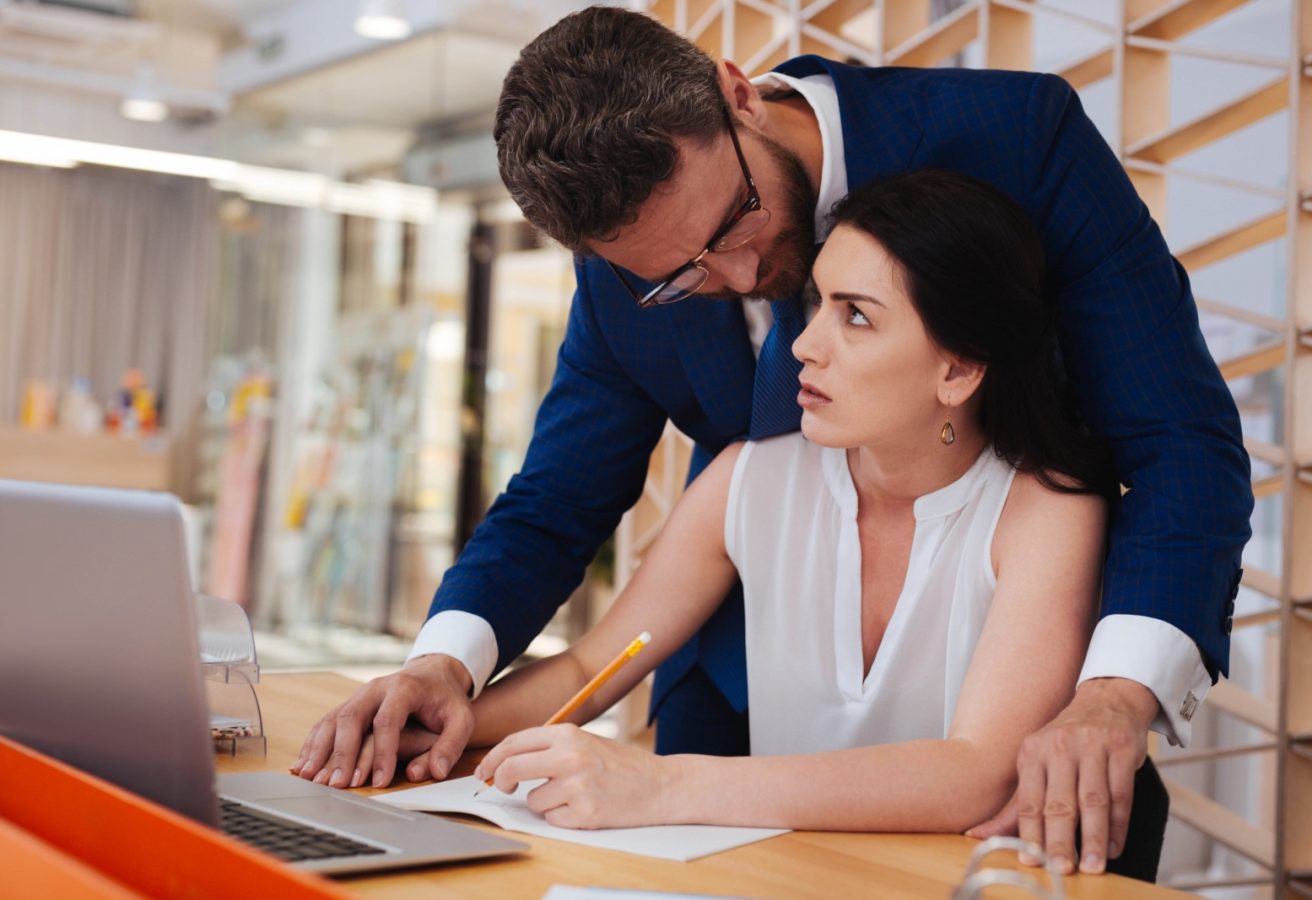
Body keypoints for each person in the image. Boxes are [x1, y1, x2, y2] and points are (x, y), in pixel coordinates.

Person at [294, 6, 1252, 878]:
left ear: (737, 94)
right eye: (680, 275)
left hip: (1000, 757)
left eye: (736, 219)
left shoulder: (1017, 143)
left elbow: (1180, 439)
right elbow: (557, 509)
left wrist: (1116, 697)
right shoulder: (648, 308)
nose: (748, 277)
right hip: (730, 715)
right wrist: (441, 676)